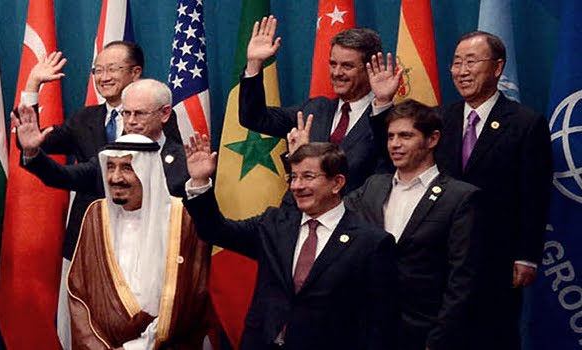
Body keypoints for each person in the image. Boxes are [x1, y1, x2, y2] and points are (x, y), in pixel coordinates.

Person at [370, 31, 553, 349]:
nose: (462, 71)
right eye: (456, 62)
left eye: (471, 61)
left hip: (496, 257)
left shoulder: (526, 123)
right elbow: (397, 154)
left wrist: (527, 256)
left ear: (497, 68)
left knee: (491, 335)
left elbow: (534, 194)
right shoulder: (440, 117)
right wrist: (385, 103)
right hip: (441, 259)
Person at [288, 100, 483, 350]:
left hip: (424, 333)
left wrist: (440, 340)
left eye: (405, 136)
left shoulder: (461, 198)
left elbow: (462, 280)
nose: (395, 144)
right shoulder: (374, 186)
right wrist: (304, 164)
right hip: (369, 332)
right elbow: (324, 207)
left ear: (432, 139)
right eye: (390, 136)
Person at [183, 137, 398, 349]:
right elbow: (217, 231)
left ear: (337, 183)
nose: (297, 186)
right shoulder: (274, 224)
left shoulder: (370, 243)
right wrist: (200, 183)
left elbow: (380, 324)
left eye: (307, 176)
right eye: (293, 177)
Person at [19, 41, 182, 259]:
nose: (103, 77)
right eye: (98, 70)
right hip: (88, 234)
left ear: (136, 72)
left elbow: (171, 176)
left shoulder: (157, 119)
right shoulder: (83, 118)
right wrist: (32, 85)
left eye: (112, 69)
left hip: (144, 239)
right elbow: (32, 141)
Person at [67, 133, 210, 349]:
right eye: (111, 166)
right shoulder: (96, 215)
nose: (115, 177)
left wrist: (139, 346)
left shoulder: (182, 219)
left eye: (127, 167)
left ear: (148, 172)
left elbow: (193, 294)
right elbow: (79, 293)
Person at [239, 15, 402, 191]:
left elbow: (392, 164)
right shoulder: (314, 110)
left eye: (347, 66)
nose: (337, 72)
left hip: (359, 216)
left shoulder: (389, 120)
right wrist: (254, 64)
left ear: (370, 68)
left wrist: (383, 103)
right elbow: (253, 117)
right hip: (305, 215)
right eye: (333, 64)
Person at [16, 78, 189, 201]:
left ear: (165, 113)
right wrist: (32, 152)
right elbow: (62, 176)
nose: (131, 121)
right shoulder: (110, 156)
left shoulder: (184, 161)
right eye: (126, 113)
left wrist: (200, 184)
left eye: (140, 113)